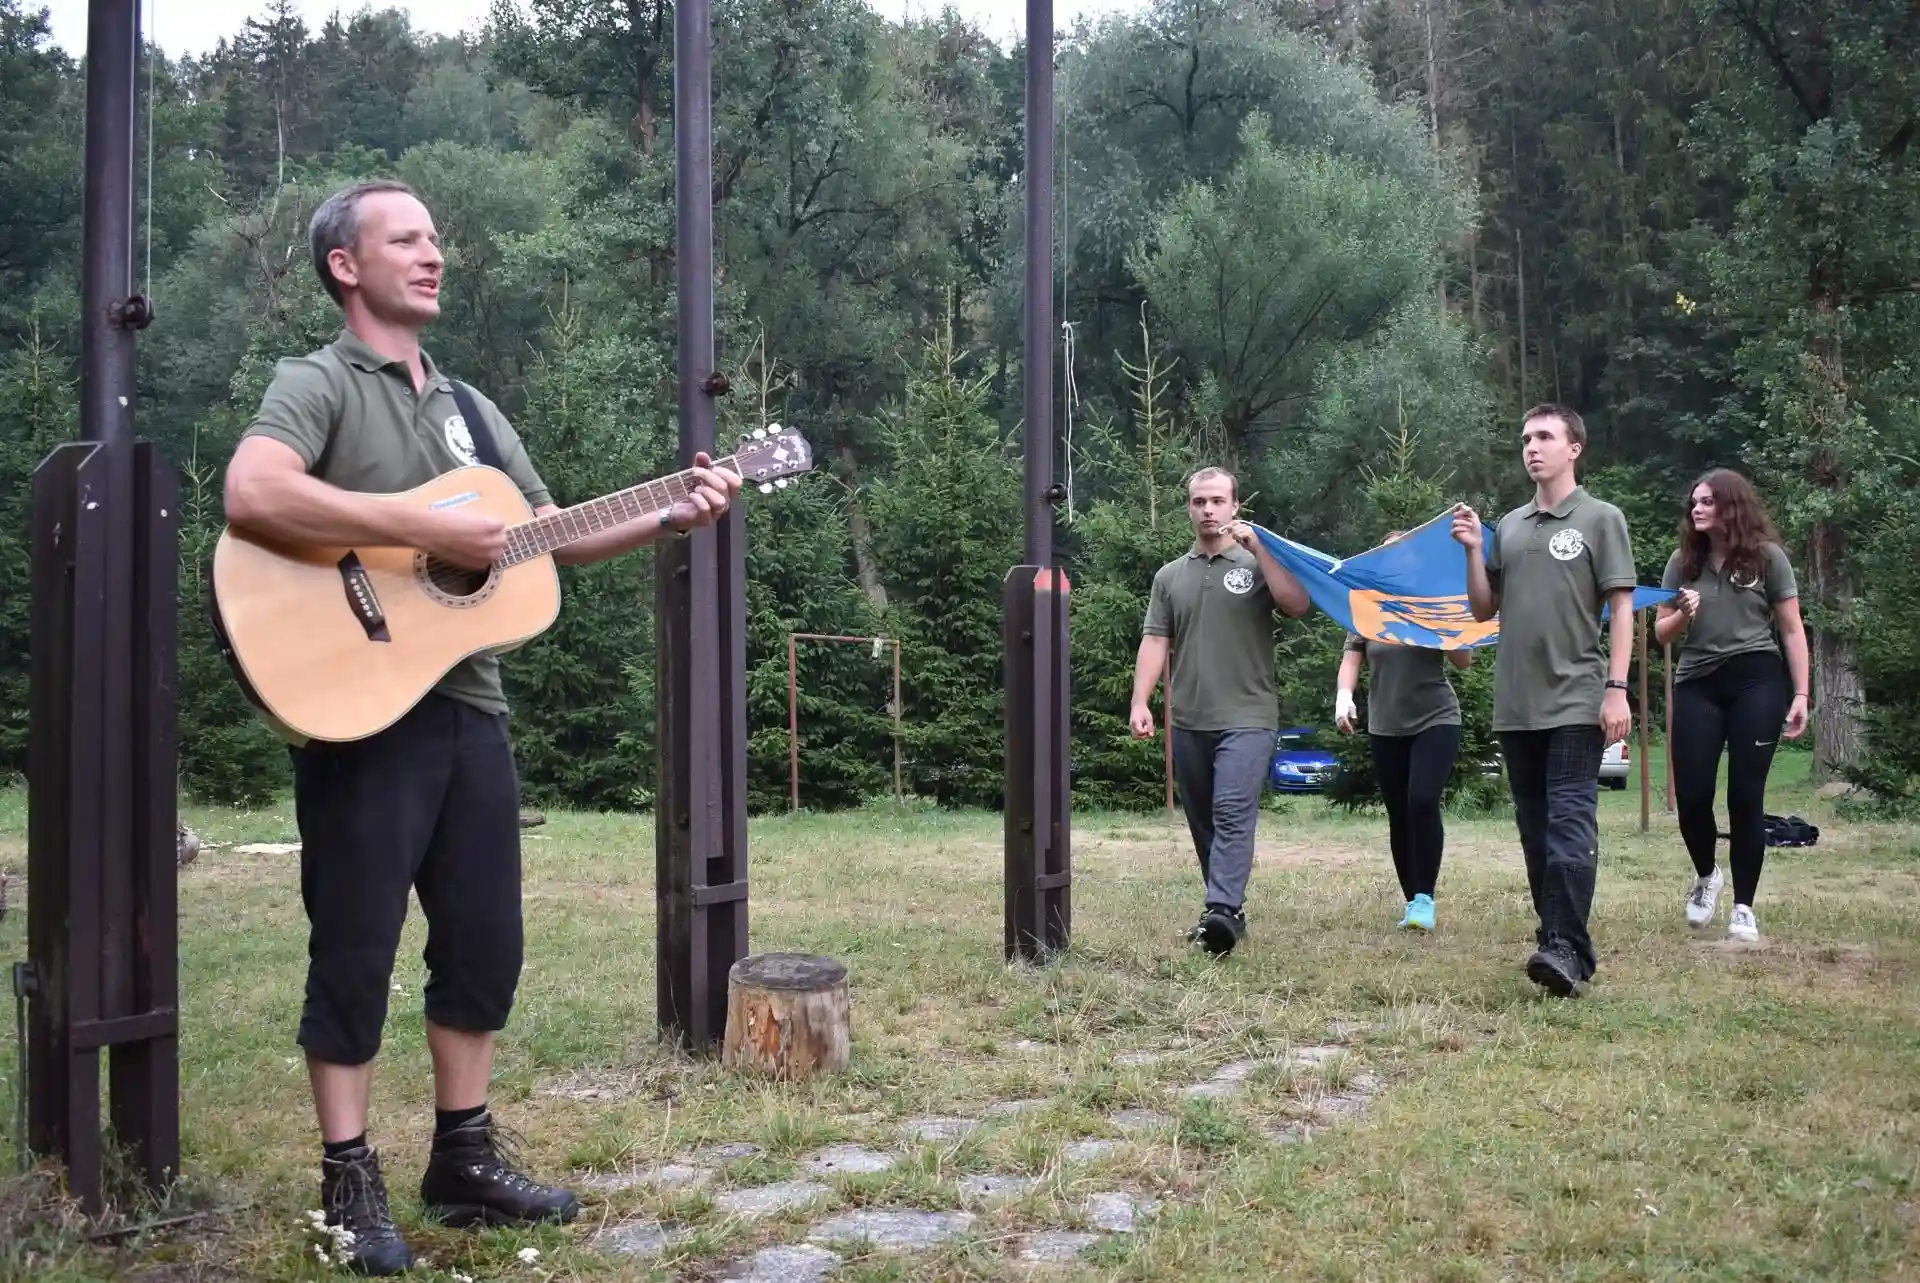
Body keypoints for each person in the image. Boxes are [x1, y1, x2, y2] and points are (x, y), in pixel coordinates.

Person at [222, 180, 742, 1275]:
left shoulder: (468, 407)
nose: (434, 253)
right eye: (405, 238)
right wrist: (410, 521)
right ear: (344, 267)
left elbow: (543, 534)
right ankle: (346, 1175)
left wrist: (670, 509)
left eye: (436, 237)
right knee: (356, 947)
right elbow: (256, 493)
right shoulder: (317, 383)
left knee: (484, 942)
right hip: (358, 705)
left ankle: (462, 1158)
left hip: (468, 707)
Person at [1452, 404, 1636, 997]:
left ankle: (1563, 948)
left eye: (1545, 437)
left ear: (1574, 447)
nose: (1532, 447)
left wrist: (1616, 688)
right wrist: (1472, 551)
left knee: (1569, 823)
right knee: (1535, 831)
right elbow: (1484, 610)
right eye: (1526, 437)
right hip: (1517, 705)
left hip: (1578, 700)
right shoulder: (1508, 525)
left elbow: (1624, 606)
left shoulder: (1601, 519)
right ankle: (1562, 945)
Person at [1130, 467, 1312, 956]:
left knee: (1233, 809)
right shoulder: (1171, 576)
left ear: (1235, 507)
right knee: (1203, 818)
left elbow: (1297, 604)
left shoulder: (1257, 565)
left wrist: (1261, 552)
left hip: (1249, 715)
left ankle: (1222, 910)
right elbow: (1155, 639)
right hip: (1188, 716)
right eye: (1198, 502)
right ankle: (1226, 908)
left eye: (1217, 501)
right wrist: (1140, 700)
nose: (1208, 510)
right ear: (1189, 508)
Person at [1653, 469, 1809, 942]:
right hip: (1698, 682)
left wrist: (1800, 693)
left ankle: (1744, 907)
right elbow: (1660, 633)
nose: (1696, 509)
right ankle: (1707, 877)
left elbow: (1791, 629)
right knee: (1694, 796)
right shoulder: (1683, 562)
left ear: (1731, 506)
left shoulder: (1767, 558)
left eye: (1706, 502)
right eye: (1693, 503)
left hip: (1756, 679)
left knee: (1745, 795)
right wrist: (1684, 612)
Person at [1334, 530, 1475, 932]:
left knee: (1422, 801)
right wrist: (1344, 696)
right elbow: (1351, 657)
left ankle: (1426, 897)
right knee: (1398, 812)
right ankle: (1412, 900)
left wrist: (1448, 623)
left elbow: (1464, 661)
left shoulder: (1432, 601)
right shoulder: (1369, 604)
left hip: (1436, 717)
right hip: (1385, 724)